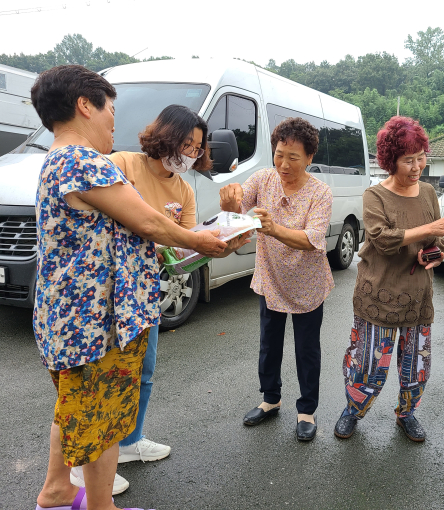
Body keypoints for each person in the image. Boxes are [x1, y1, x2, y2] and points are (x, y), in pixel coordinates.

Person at [31, 65, 229, 510]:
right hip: (100, 323)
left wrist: (191, 243)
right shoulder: (82, 160)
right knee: (103, 416)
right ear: (85, 105)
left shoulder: (57, 160)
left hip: (71, 318)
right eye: (110, 109)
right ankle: (102, 507)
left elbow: (129, 233)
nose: (113, 121)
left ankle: (57, 488)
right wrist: (199, 240)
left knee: (75, 403)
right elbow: (146, 220)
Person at [69, 105, 251, 495]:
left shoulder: (183, 189)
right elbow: (133, 226)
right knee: (102, 380)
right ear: (165, 135)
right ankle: (90, 463)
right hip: (104, 294)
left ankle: (130, 442)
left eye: (197, 147)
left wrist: (219, 241)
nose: (190, 152)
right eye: (185, 142)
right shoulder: (120, 164)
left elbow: (183, 253)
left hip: (145, 294)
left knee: (143, 372)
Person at [332, 116, 444, 442]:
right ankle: (352, 410)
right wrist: (432, 229)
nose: (417, 166)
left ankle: (406, 414)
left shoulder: (430, 193)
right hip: (378, 295)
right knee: (368, 365)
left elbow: (439, 243)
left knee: (416, 364)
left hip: (417, 297)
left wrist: (432, 253)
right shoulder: (375, 195)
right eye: (409, 160)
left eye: (421, 157)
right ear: (391, 160)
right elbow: (383, 239)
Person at [219, 117, 334, 442]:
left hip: (307, 284)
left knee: (307, 350)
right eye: (279, 154)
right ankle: (270, 399)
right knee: (269, 344)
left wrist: (273, 229)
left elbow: (313, 238)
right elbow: (237, 216)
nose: (283, 164)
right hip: (270, 277)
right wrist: (230, 206)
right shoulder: (262, 179)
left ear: (309, 158)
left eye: (293, 157)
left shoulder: (320, 192)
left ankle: (306, 411)